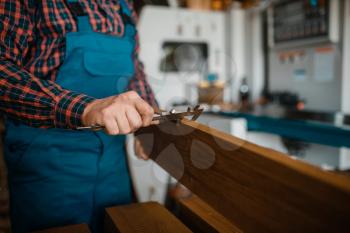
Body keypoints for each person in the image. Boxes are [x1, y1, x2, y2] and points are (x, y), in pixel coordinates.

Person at [0, 1, 158, 232]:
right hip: (47, 168)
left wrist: (148, 115)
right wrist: (84, 108)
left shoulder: (123, 6)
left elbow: (134, 69)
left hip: (114, 166)